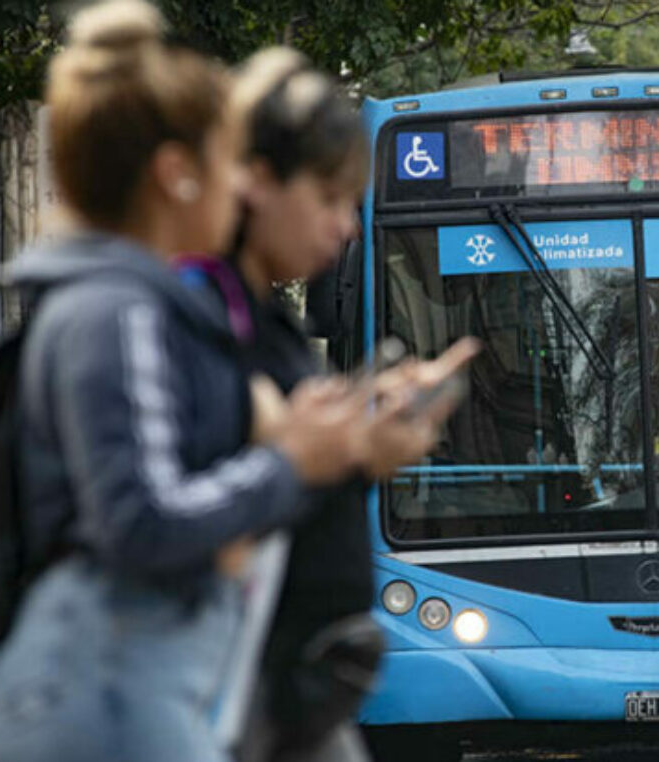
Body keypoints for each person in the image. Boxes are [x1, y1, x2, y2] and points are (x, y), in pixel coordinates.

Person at [0, 3, 447, 761]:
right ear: (178, 178)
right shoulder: (120, 312)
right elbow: (144, 520)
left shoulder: (129, 305)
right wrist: (291, 461)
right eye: (229, 162)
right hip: (119, 698)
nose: (241, 190)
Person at [188, 48, 477, 762]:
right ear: (256, 182)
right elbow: (193, 513)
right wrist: (339, 451)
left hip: (292, 697)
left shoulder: (267, 318)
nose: (348, 227)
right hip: (224, 701)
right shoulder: (191, 318)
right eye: (328, 199)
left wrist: (363, 439)